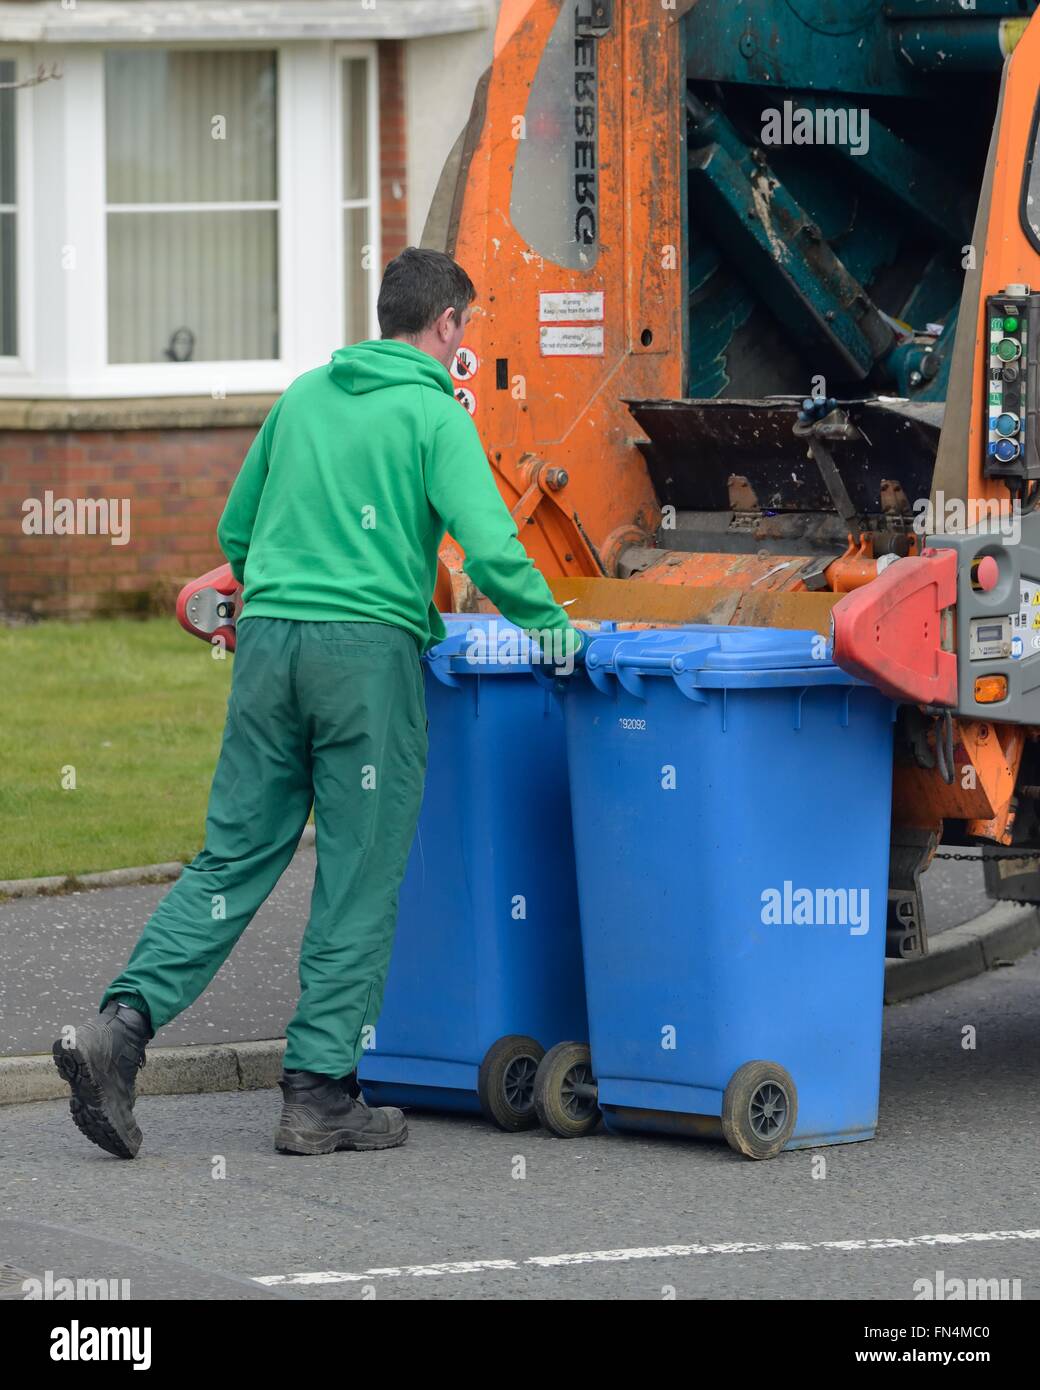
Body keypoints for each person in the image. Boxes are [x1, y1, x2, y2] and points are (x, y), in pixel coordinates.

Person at [53, 247, 583, 1159]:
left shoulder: (303, 395)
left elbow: (236, 533)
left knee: (232, 860)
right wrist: (557, 635)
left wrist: (278, 599)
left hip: (267, 644)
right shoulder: (435, 414)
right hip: (364, 660)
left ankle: (119, 1031)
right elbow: (493, 551)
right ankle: (319, 1094)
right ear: (449, 326)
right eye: (470, 328)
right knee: (357, 873)